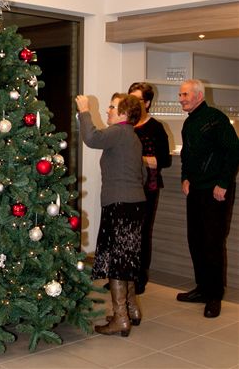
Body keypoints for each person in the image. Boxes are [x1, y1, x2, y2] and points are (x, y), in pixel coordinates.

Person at [76, 93, 146, 337]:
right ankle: (131, 310)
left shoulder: (118, 132)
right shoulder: (133, 137)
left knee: (117, 259)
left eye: (112, 107)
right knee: (127, 257)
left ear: (124, 114)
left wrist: (84, 111)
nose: (107, 110)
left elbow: (92, 138)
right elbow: (143, 175)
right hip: (135, 203)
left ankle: (120, 318)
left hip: (119, 204)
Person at [176, 79, 239, 318]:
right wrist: (185, 177)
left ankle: (214, 296)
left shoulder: (216, 119)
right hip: (196, 190)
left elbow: (234, 150)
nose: (181, 98)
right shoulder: (189, 122)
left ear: (198, 96)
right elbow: (187, 155)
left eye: (184, 94)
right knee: (196, 240)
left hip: (216, 190)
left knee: (212, 243)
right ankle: (202, 289)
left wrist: (223, 182)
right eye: (180, 94)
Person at [128, 82, 171, 294]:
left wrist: (139, 159)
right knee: (124, 232)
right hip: (125, 186)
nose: (132, 103)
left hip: (148, 187)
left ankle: (139, 277)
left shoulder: (156, 127)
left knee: (142, 233)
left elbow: (165, 160)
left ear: (147, 103)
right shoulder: (124, 124)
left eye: (136, 99)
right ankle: (123, 278)